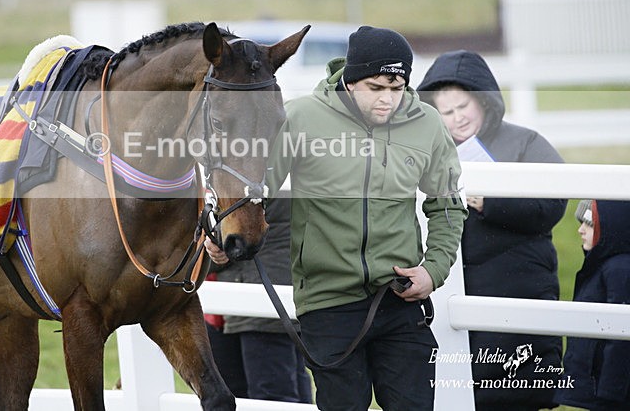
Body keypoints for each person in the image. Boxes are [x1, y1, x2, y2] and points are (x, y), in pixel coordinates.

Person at [206, 25, 468, 410]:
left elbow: (446, 204)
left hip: (399, 300)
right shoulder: (299, 118)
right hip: (327, 305)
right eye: (376, 88)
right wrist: (221, 236)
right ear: (349, 80)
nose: (388, 100)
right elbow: (254, 188)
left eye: (397, 89)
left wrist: (434, 269)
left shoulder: (426, 124)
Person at [417, 49, 567, 410]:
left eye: (463, 107)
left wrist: (489, 202)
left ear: (483, 100)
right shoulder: (427, 152)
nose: (457, 119)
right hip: (450, 298)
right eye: (446, 112)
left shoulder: (524, 142)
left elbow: (555, 203)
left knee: (516, 393)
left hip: (519, 289)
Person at [205, 197, 312, 404]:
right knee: (288, 392)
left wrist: (215, 246)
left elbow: (240, 239)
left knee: (271, 397)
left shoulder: (250, 177)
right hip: (266, 297)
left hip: (261, 299)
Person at [556, 199, 630, 411]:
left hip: (611, 393)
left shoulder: (619, 269)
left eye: (589, 223)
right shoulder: (603, 265)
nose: (580, 230)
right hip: (603, 388)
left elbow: (621, 336)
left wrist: (610, 390)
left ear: (613, 226)